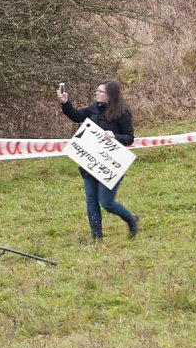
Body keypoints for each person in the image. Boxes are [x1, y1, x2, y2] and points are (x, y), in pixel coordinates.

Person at [58, 79, 139, 240]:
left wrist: (114, 136)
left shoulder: (122, 112)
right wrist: (65, 103)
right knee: (91, 201)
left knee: (106, 202)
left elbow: (129, 137)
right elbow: (76, 116)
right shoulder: (94, 108)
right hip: (90, 163)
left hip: (111, 164)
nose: (96, 93)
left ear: (109, 95)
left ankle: (130, 218)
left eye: (100, 92)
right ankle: (97, 236)